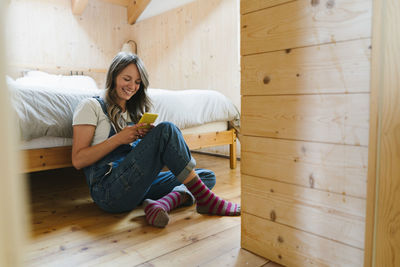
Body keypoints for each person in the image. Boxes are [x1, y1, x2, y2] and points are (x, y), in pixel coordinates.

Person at [72, 52, 240, 228]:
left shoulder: (131, 112)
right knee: (166, 130)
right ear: (113, 76)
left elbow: (138, 161)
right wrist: (119, 139)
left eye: (137, 82)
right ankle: (207, 202)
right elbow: (78, 160)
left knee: (205, 176)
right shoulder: (91, 106)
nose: (132, 86)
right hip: (109, 192)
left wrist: (146, 143)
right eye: (127, 79)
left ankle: (161, 204)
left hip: (134, 186)